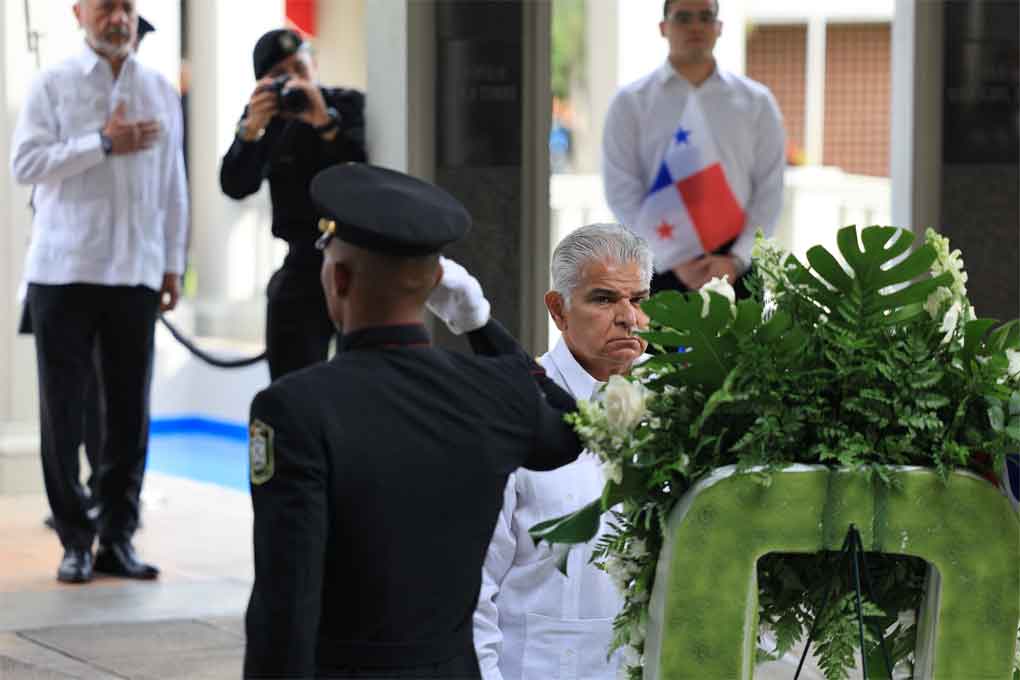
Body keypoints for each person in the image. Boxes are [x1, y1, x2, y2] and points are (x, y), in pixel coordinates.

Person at [242, 163, 584, 679]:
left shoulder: (295, 410)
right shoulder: (492, 392)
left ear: (338, 279)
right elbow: (569, 429)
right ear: (435, 287)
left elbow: (285, 604)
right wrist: (481, 326)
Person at [10, 0, 188, 584]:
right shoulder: (52, 83)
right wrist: (102, 142)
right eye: (107, 6)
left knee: (129, 415)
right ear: (78, 13)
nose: (120, 17)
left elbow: (173, 184)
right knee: (63, 415)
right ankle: (74, 542)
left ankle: (117, 538)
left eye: (128, 7)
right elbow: (26, 164)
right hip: (64, 271)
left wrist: (173, 264)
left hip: (135, 271)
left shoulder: (160, 88)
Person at [469, 224, 652, 680]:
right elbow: (473, 590)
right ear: (558, 310)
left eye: (641, 300)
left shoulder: (686, 405)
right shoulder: (514, 413)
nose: (629, 317)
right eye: (605, 299)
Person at [602, 0, 785, 297]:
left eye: (705, 17)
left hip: (736, 265)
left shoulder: (756, 102)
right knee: (654, 346)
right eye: (683, 18)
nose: (696, 26)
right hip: (657, 263)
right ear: (664, 28)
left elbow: (770, 189)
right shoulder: (630, 102)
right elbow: (621, 190)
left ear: (719, 27)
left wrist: (737, 259)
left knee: (738, 346)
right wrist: (672, 258)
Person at [220, 29, 367, 380]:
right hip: (303, 261)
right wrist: (250, 130)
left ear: (314, 64)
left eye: (299, 68)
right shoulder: (265, 122)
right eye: (280, 76)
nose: (295, 82)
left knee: (361, 379)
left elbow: (360, 171)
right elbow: (235, 185)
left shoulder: (345, 106)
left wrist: (324, 123)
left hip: (359, 260)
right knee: (291, 377)